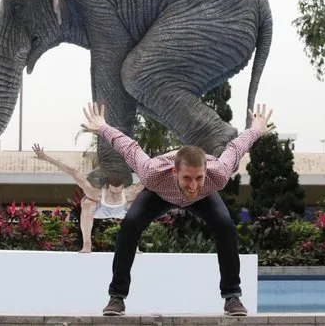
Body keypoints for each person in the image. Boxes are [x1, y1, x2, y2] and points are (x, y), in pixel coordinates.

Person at [79, 102, 276, 317]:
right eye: (187, 178)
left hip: (204, 198)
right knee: (130, 224)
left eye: (199, 178)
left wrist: (256, 129)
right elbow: (129, 147)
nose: (193, 185)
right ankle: (117, 297)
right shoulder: (151, 171)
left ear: (205, 171)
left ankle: (232, 296)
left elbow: (236, 148)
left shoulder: (218, 174)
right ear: (174, 172)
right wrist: (103, 126)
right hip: (159, 194)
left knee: (225, 225)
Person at [32, 143, 144, 253]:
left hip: (122, 210)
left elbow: (150, 177)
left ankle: (134, 245)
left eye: (118, 192)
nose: (115, 195)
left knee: (133, 205)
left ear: (123, 187)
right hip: (100, 209)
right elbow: (73, 172)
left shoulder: (130, 193)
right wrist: (46, 158)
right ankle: (87, 244)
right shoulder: (95, 193)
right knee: (87, 203)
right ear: (106, 187)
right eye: (113, 192)